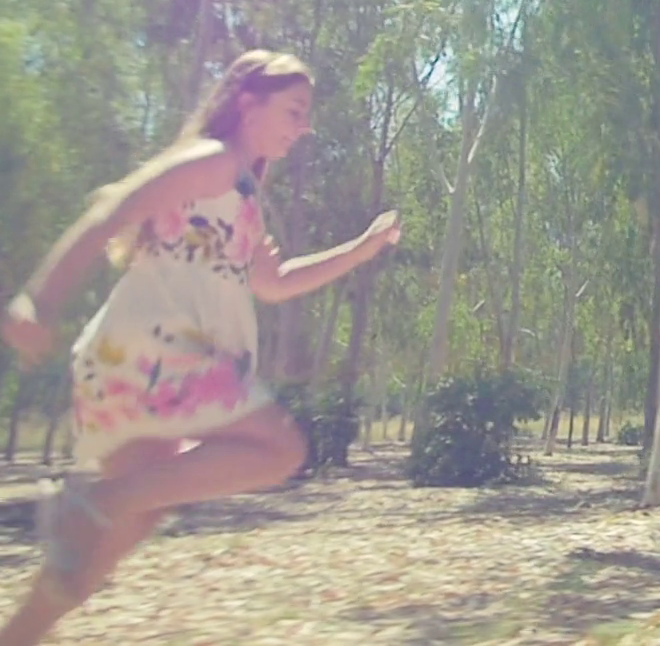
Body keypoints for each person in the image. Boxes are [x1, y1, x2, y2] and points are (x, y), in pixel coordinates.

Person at [0, 50, 402, 645]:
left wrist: (363, 248)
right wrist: (39, 300)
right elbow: (112, 210)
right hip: (155, 351)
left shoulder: (240, 190)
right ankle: (90, 502)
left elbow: (273, 282)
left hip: (135, 361)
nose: (303, 127)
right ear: (248, 104)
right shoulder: (211, 161)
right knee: (279, 449)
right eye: (294, 111)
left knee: (110, 541)